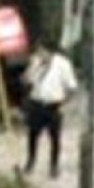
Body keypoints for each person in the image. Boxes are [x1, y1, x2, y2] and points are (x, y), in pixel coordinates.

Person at [23, 40, 79, 178]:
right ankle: (30, 161)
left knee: (54, 137)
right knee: (33, 135)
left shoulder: (62, 64)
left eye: (42, 51)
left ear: (49, 51)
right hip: (37, 102)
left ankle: (54, 165)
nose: (40, 54)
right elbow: (27, 81)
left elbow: (71, 86)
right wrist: (31, 69)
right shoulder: (36, 63)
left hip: (53, 105)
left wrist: (64, 102)